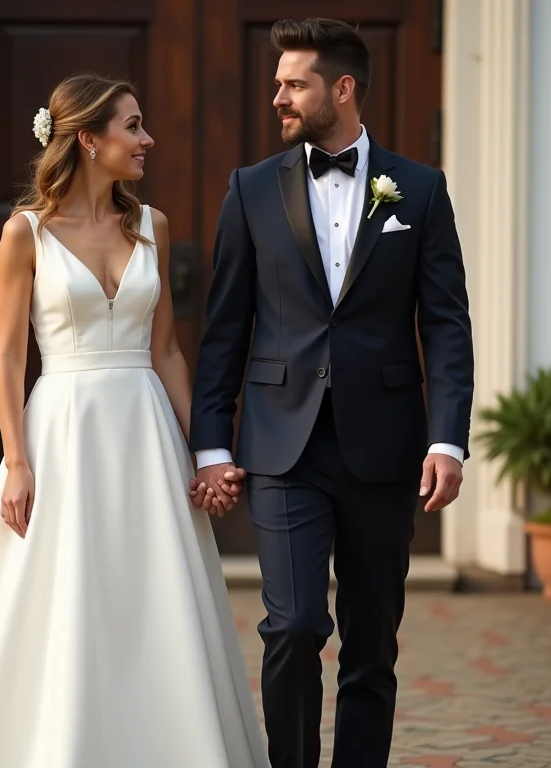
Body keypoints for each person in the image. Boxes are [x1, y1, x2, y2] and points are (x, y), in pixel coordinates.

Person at [0, 73, 269, 768]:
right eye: (133, 126)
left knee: (156, 597)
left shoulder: (152, 226)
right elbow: (8, 359)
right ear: (89, 139)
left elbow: (167, 351)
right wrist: (17, 463)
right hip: (62, 435)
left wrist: (207, 451)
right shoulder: (24, 233)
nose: (148, 139)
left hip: (145, 434)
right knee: (63, 595)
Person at [188, 18, 475, 768]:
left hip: (385, 446)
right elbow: (225, 327)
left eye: (294, 84)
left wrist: (448, 438)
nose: (278, 98)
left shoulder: (420, 189)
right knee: (293, 625)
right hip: (283, 445)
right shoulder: (251, 189)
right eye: (278, 83)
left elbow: (446, 323)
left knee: (372, 642)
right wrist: (212, 444)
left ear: (342, 89)